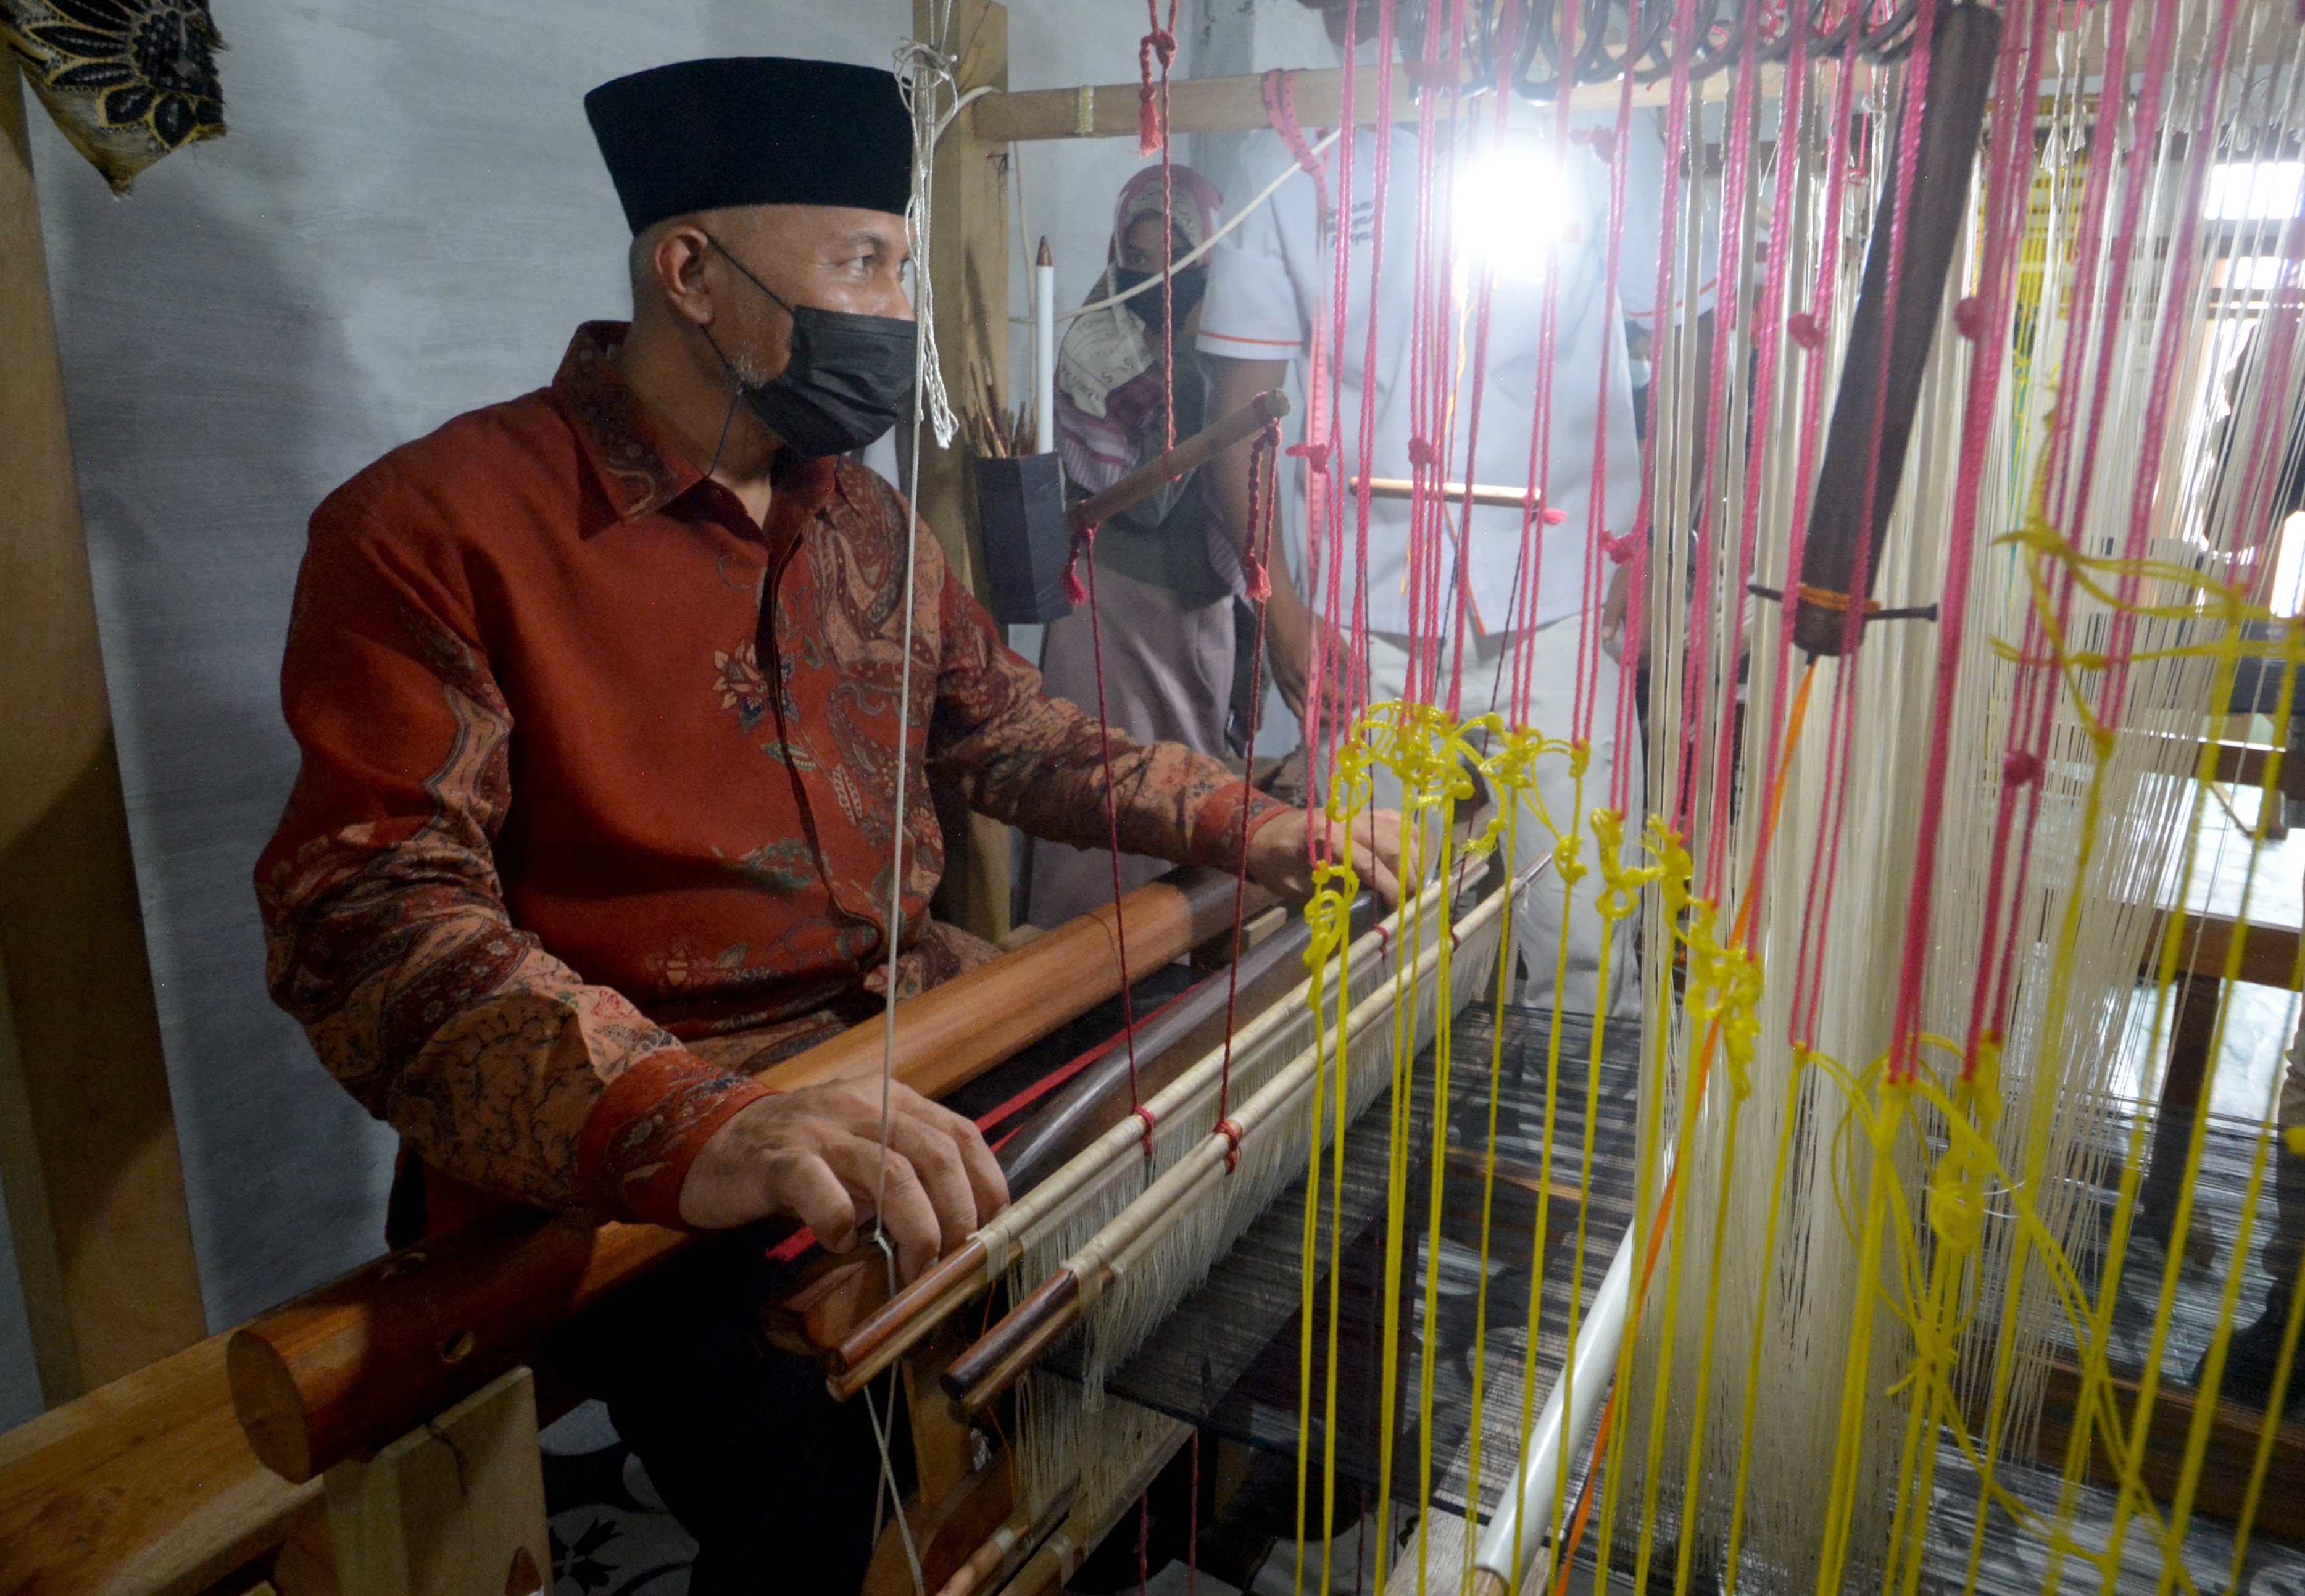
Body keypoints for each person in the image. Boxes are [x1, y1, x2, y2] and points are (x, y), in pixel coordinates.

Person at [254, 56, 1402, 1594]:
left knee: (1231, 1200)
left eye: (901, 269)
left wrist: (1243, 822)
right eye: (861, 263)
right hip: (652, 1143)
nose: (895, 311)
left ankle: (1138, 1514)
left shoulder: (858, 519)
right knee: (839, 1468)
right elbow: (366, 923)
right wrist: (701, 1125)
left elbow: (1005, 733)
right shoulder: (435, 530)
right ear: (691, 274)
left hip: (913, 1040)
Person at [1198, 0, 1711, 1016]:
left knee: (1584, 931)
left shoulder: (1599, 128)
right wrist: (1281, 607)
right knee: (1373, 939)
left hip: (1567, 603)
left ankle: (1578, 1111)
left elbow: (1687, 345)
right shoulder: (1293, 152)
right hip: (1361, 622)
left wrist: (1659, 543)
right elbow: (1240, 414)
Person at [1028, 164, 1246, 928]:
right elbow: (1146, 501)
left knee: (1192, 785)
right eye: (1140, 258)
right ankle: (1083, 965)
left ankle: (1178, 956)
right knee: (1102, 787)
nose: (1157, 276)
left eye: (1178, 257)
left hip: (1198, 607)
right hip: (1108, 606)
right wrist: (1183, 364)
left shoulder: (1237, 343)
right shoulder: (1098, 348)